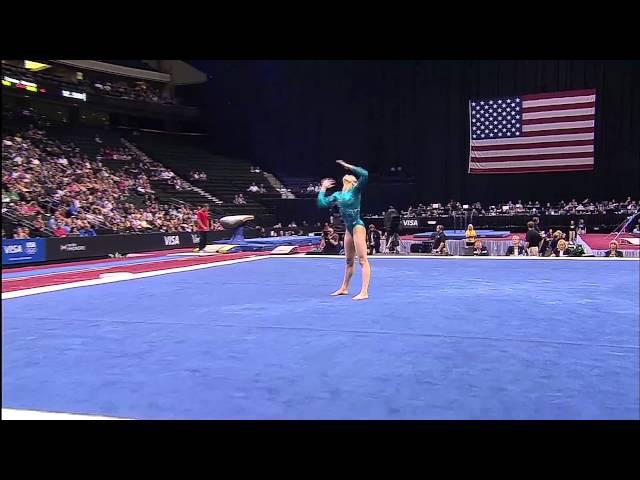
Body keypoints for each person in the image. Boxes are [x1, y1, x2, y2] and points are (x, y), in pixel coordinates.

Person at [317, 160, 370, 300]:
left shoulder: (355, 191)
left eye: (349, 178)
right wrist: (323, 188)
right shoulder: (338, 195)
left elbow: (365, 174)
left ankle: (364, 291)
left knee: (363, 259)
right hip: (349, 228)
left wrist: (349, 166)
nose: (346, 177)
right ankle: (344, 288)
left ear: (352, 182)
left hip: (358, 226)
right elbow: (321, 203)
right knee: (348, 261)